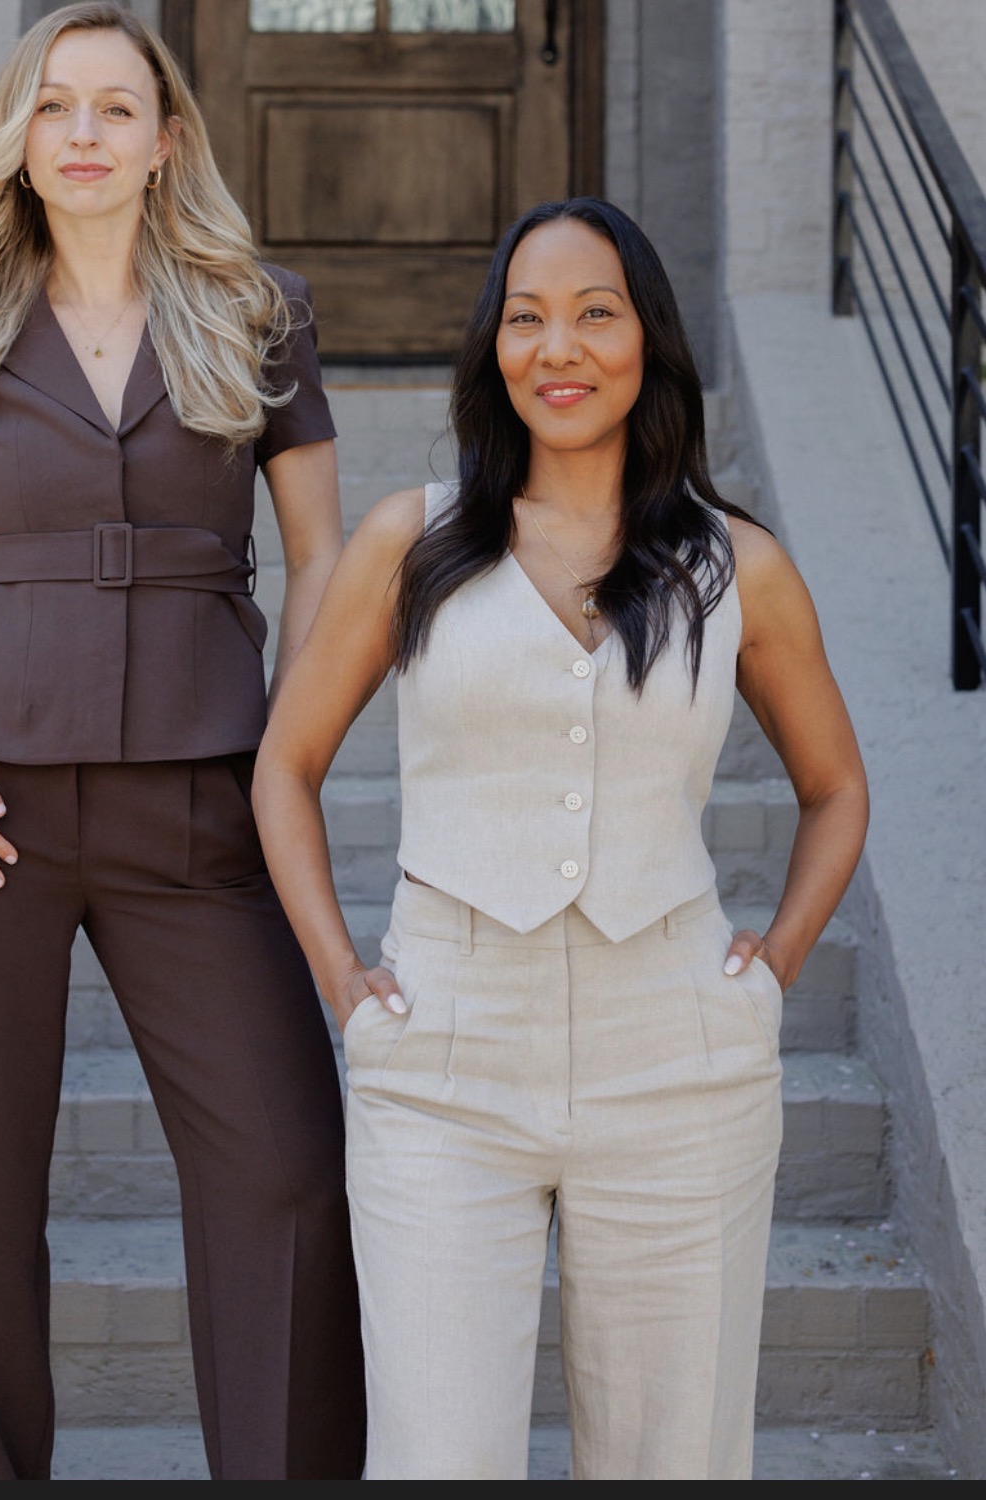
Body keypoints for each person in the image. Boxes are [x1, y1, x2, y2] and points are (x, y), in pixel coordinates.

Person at [251, 197, 869, 1482]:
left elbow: (836, 786)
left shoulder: (732, 565)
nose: (560, 345)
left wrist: (775, 966)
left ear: (649, 342)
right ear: (493, 351)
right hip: (445, 1062)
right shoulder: (407, 543)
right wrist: (342, 984)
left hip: (680, 1063)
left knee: (673, 1458)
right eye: (527, 318)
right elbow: (284, 768)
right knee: (436, 1457)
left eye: (597, 312)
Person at [0, 0, 366, 1482]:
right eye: (53, 107)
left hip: (199, 798)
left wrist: (288, 753)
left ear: (164, 142)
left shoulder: (257, 311)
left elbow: (327, 563)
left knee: (283, 1170)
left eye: (113, 108)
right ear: (20, 143)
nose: (82, 134)